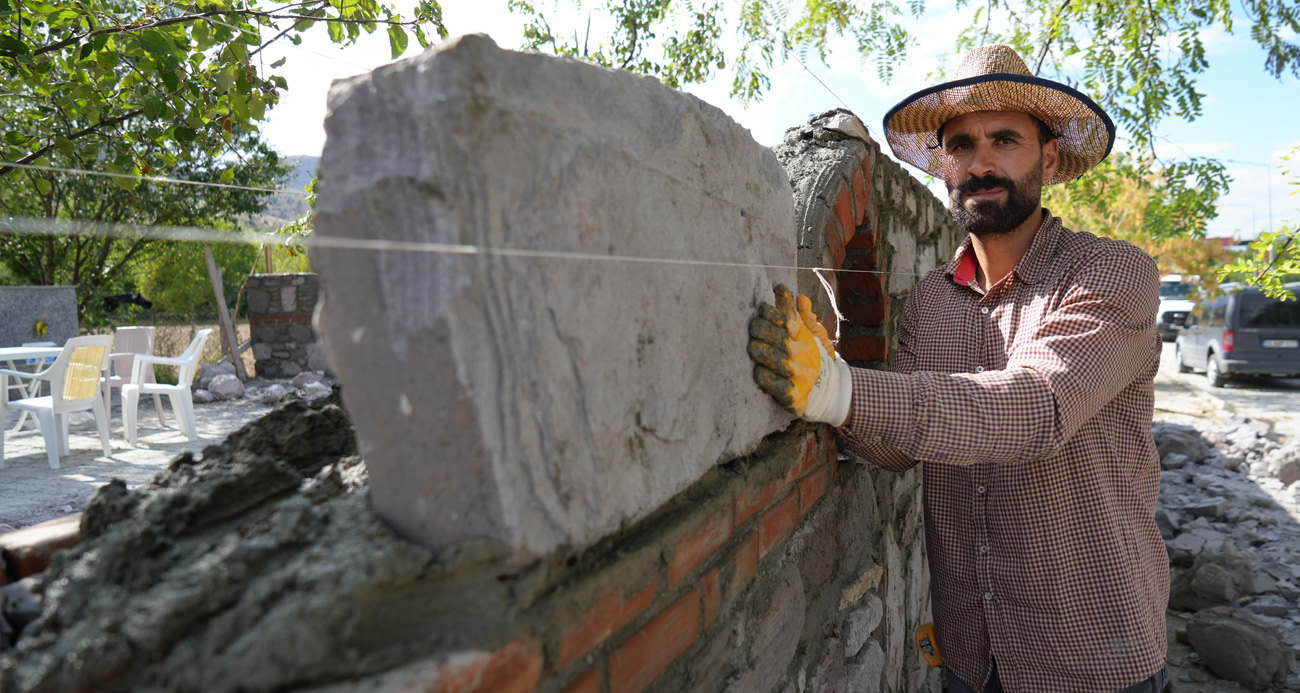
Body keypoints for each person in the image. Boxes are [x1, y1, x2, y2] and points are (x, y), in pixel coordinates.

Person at [747, 45, 1169, 692]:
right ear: (943, 164)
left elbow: (1035, 407)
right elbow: (894, 449)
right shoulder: (931, 298)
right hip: (969, 658)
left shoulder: (1111, 274)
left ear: (1049, 158)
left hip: (1094, 655)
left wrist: (840, 390)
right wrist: (823, 376)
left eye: (1006, 139)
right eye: (961, 144)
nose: (980, 163)